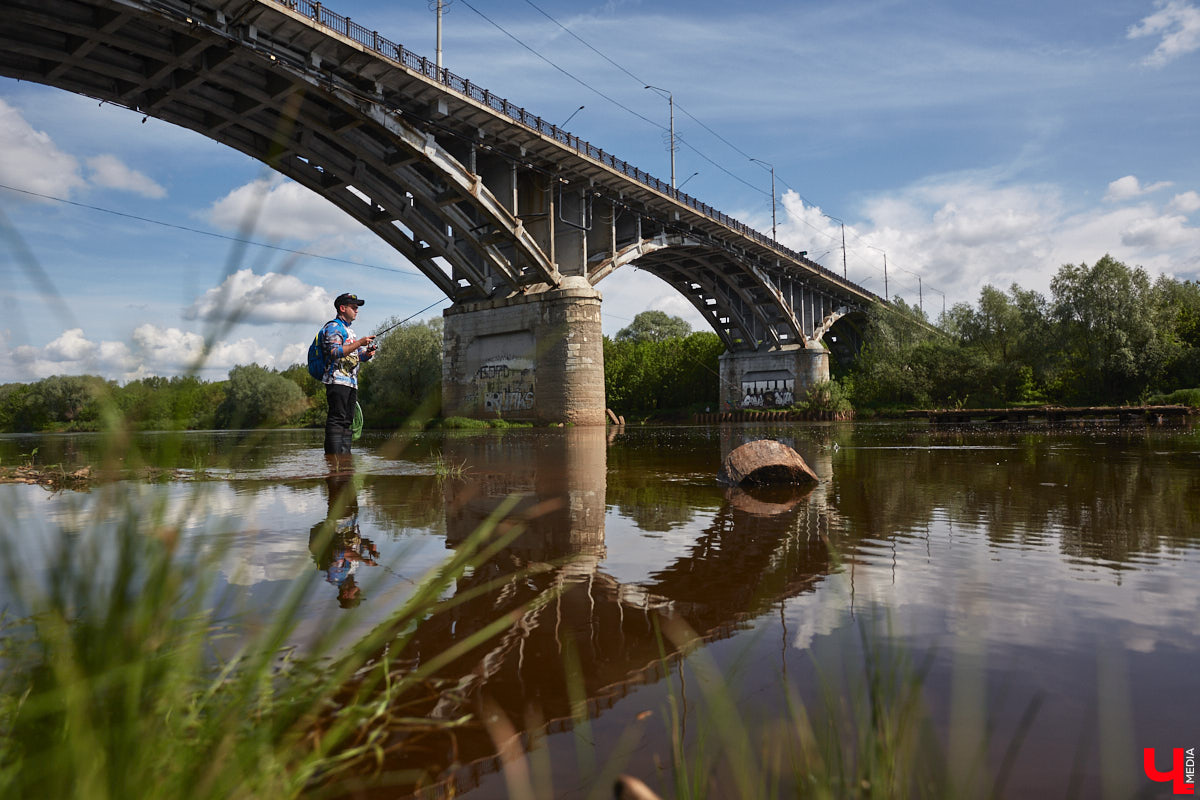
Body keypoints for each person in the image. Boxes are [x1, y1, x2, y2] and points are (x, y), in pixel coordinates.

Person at [321, 293, 377, 454]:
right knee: (337, 420)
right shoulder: (333, 327)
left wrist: (367, 353)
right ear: (342, 308)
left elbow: (358, 356)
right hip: (337, 381)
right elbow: (334, 351)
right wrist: (359, 342)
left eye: (357, 308)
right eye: (353, 307)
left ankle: (344, 460)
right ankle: (333, 460)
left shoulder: (350, 332)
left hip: (351, 382)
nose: (356, 311)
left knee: (347, 421)